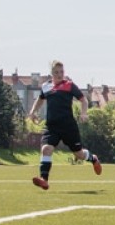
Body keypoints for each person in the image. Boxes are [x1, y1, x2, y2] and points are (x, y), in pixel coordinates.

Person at [27, 60, 102, 191]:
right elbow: (40, 99)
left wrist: (84, 113)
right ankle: (44, 179)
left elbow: (83, 100)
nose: (59, 74)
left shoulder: (69, 85)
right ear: (52, 73)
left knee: (79, 154)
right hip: (52, 127)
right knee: (46, 149)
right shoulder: (46, 86)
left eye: (61, 72)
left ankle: (93, 158)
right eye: (56, 72)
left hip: (68, 126)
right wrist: (33, 112)